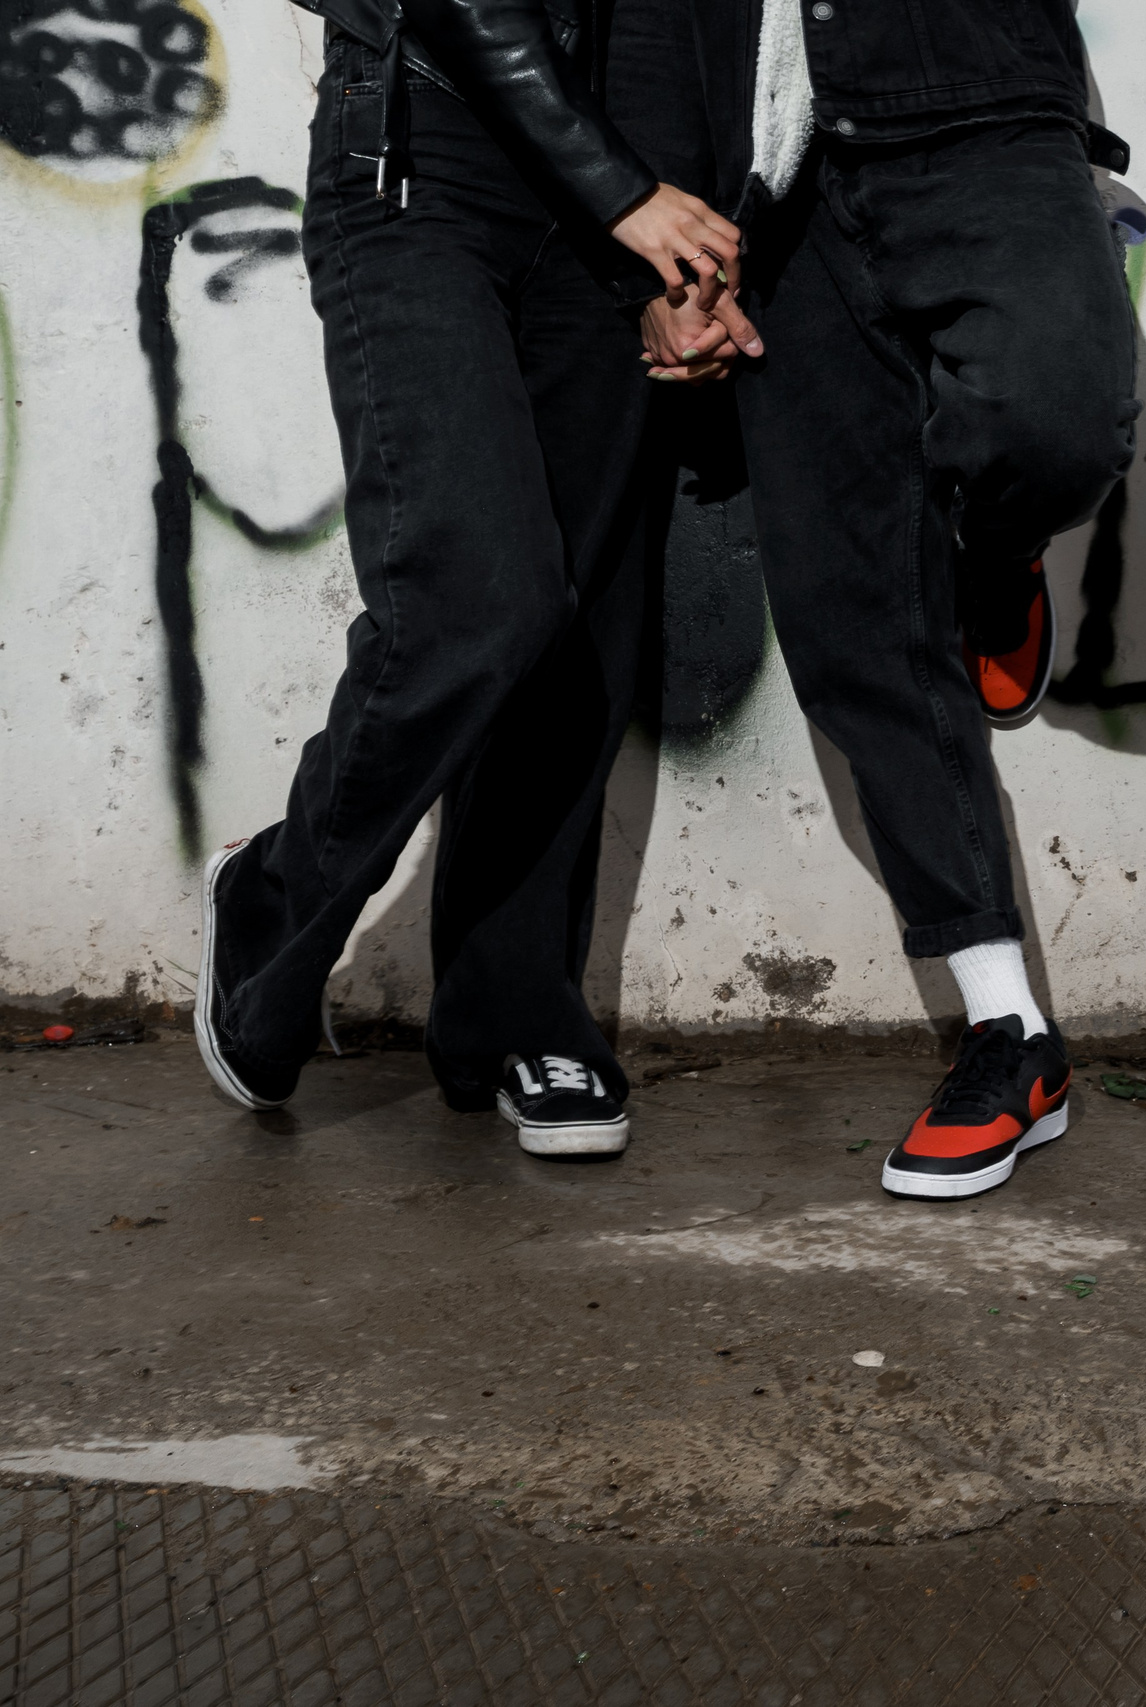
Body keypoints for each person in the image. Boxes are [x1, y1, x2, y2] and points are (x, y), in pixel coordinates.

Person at [192, 0, 757, 1158]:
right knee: (475, 597)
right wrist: (626, 193)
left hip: (615, 206)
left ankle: (513, 1011)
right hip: (425, 156)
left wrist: (679, 257)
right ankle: (276, 896)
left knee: (581, 625)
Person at [609, 0, 1139, 1198]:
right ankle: (1009, 1030)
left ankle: (995, 556)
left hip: (976, 104)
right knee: (848, 605)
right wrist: (663, 245)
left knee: (1055, 425)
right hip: (764, 199)